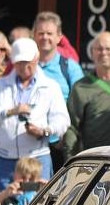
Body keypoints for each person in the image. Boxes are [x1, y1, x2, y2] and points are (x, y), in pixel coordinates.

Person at [0, 37, 69, 205]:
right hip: (5, 159)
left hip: (37, 158)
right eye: (19, 63)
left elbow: (63, 121)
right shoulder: (2, 84)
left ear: (37, 58)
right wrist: (11, 111)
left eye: (27, 62)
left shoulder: (50, 86)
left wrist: (44, 131)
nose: (23, 67)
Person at [33, 11, 84, 172]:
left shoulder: (69, 67)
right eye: (41, 33)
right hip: (29, 142)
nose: (45, 37)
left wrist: (68, 134)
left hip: (59, 141)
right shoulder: (24, 66)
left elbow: (79, 103)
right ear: (34, 35)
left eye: (50, 33)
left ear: (59, 36)